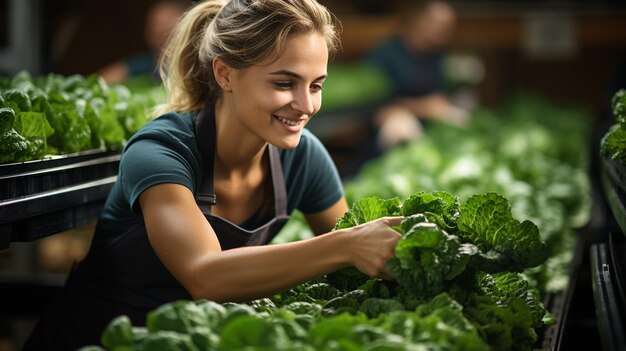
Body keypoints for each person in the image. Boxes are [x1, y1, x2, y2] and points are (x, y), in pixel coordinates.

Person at [23, 0, 403, 349]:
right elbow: (205, 276)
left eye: (316, 85)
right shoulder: (160, 151)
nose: (306, 105)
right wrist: (346, 245)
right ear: (225, 74)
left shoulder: (303, 159)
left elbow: (361, 262)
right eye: (284, 83)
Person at [363, 0, 469, 150]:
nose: (442, 32)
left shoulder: (436, 57)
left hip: (431, 128)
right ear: (418, 19)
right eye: (437, 24)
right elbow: (375, 106)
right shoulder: (386, 54)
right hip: (392, 128)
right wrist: (423, 107)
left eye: (447, 28)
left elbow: (442, 94)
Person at [97, 0, 187, 84]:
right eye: (154, 27)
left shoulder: (194, 67)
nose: (158, 35)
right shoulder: (146, 63)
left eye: (165, 29)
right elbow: (103, 79)